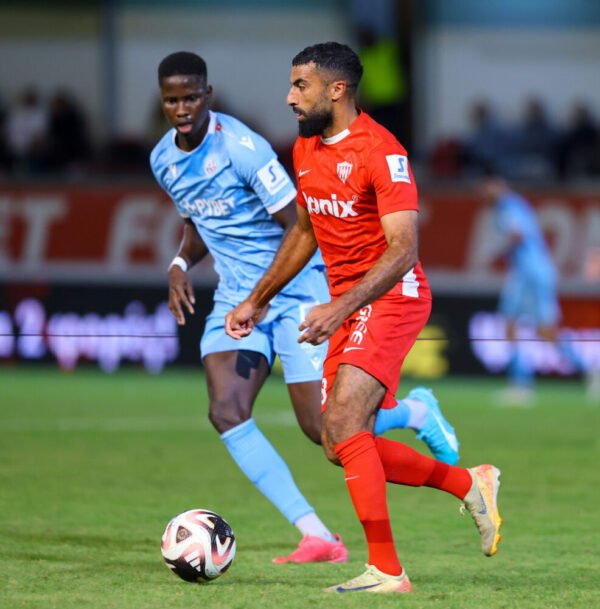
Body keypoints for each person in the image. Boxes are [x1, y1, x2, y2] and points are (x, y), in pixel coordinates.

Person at [150, 51, 459, 566]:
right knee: (226, 410)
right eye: (170, 99)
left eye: (189, 96)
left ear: (207, 95)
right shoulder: (162, 159)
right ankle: (317, 534)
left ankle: (416, 411)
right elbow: (199, 220)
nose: (180, 107)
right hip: (237, 294)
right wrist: (180, 262)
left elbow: (301, 227)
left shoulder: (246, 150)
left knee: (327, 431)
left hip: (295, 293)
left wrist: (323, 300)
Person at [226, 42, 502, 593]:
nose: (288, 98)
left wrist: (338, 306)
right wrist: (258, 299)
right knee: (337, 442)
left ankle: (387, 571)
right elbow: (304, 230)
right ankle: (467, 483)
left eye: (300, 86)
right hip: (350, 303)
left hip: (392, 296)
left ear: (338, 90)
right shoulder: (305, 149)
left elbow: (403, 250)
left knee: (346, 424)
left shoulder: (382, 151)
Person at [480, 175, 596, 404]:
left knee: (542, 331)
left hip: (531, 274)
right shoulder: (511, 206)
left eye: (486, 188)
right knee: (515, 326)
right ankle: (522, 384)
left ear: (497, 186)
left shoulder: (508, 206)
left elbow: (518, 234)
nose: (483, 193)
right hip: (527, 273)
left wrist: (498, 252)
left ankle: (584, 370)